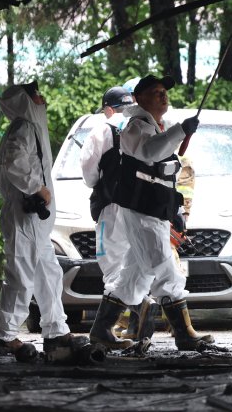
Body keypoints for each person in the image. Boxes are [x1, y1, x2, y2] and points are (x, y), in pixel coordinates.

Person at [104, 74, 214, 351]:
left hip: (153, 208)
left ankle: (101, 330)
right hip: (142, 210)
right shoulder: (134, 127)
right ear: (139, 98)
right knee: (167, 269)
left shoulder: (153, 125)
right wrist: (180, 131)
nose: (163, 96)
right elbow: (151, 153)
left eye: (164, 91)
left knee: (135, 275)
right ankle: (184, 334)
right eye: (156, 92)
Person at [0, 81, 81, 357]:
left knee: (48, 274)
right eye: (37, 95)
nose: (43, 99)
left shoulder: (28, 127)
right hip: (25, 214)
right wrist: (36, 188)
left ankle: (56, 331)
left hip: (33, 219)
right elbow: (14, 162)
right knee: (21, 276)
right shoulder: (24, 127)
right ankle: (5, 336)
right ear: (27, 101)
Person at [81, 86, 158, 348]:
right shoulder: (146, 124)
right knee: (134, 266)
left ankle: (134, 311)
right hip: (143, 210)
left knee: (112, 268)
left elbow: (89, 174)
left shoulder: (103, 128)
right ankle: (137, 325)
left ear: (108, 109)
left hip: (112, 208)